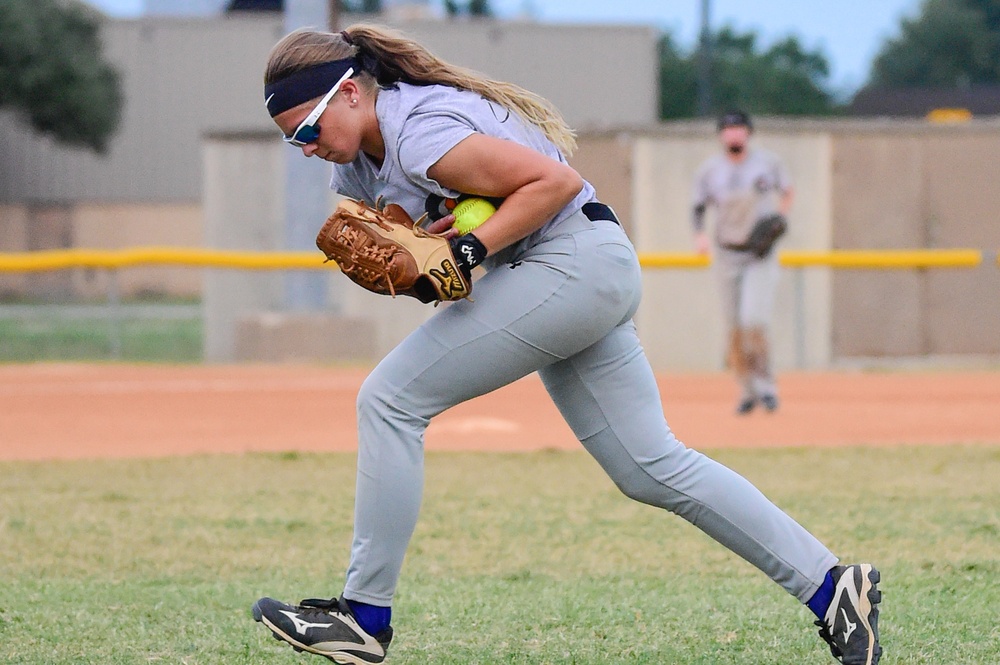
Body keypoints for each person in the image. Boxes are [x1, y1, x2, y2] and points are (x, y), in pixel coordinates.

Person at [251, 25, 882, 665]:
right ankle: (833, 588)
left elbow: (554, 182)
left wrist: (468, 248)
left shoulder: (420, 129)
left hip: (572, 260)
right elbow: (422, 251)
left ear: (351, 93)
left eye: (308, 130)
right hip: (564, 271)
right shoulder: (358, 162)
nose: (304, 148)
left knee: (389, 401)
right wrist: (424, 262)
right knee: (650, 467)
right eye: (291, 140)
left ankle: (363, 617)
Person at [691, 110, 793, 415]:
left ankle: (767, 387)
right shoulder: (711, 170)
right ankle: (747, 389)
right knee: (734, 327)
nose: (733, 134)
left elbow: (787, 192)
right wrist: (699, 235)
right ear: (721, 135)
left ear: (748, 133)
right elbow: (697, 206)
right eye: (728, 128)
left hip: (758, 253)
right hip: (726, 254)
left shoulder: (767, 163)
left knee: (754, 322)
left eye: (738, 128)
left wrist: (781, 216)